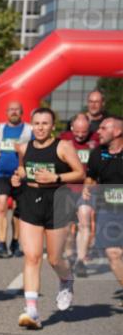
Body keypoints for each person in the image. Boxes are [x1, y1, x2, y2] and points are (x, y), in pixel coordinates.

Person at [11, 108, 86, 329]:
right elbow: (23, 169)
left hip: (58, 202)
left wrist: (56, 176)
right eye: (37, 123)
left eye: (45, 123)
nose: (40, 128)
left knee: (54, 259)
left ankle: (66, 280)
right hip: (31, 201)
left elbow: (79, 172)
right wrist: (18, 177)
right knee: (32, 257)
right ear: (31, 125)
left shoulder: (63, 147)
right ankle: (32, 310)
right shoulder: (24, 147)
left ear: (53, 126)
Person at [0, 101, 32, 258]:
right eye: (11, 109)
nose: (14, 112)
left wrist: (23, 151)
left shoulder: (29, 130)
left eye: (17, 110)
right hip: (1, 174)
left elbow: (36, 148)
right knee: (0, 207)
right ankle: (1, 244)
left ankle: (15, 242)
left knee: (19, 210)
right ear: (6, 112)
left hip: (20, 175)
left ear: (22, 112)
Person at [85, 117, 123, 304]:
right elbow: (91, 178)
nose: (98, 131)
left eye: (103, 128)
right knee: (113, 253)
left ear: (117, 132)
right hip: (108, 209)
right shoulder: (97, 154)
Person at [59, 113, 100, 276]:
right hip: (67, 188)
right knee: (69, 227)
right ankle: (70, 255)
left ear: (89, 128)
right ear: (71, 128)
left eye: (84, 132)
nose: (81, 135)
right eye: (77, 132)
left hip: (87, 188)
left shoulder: (97, 140)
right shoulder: (64, 139)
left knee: (84, 220)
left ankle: (81, 260)